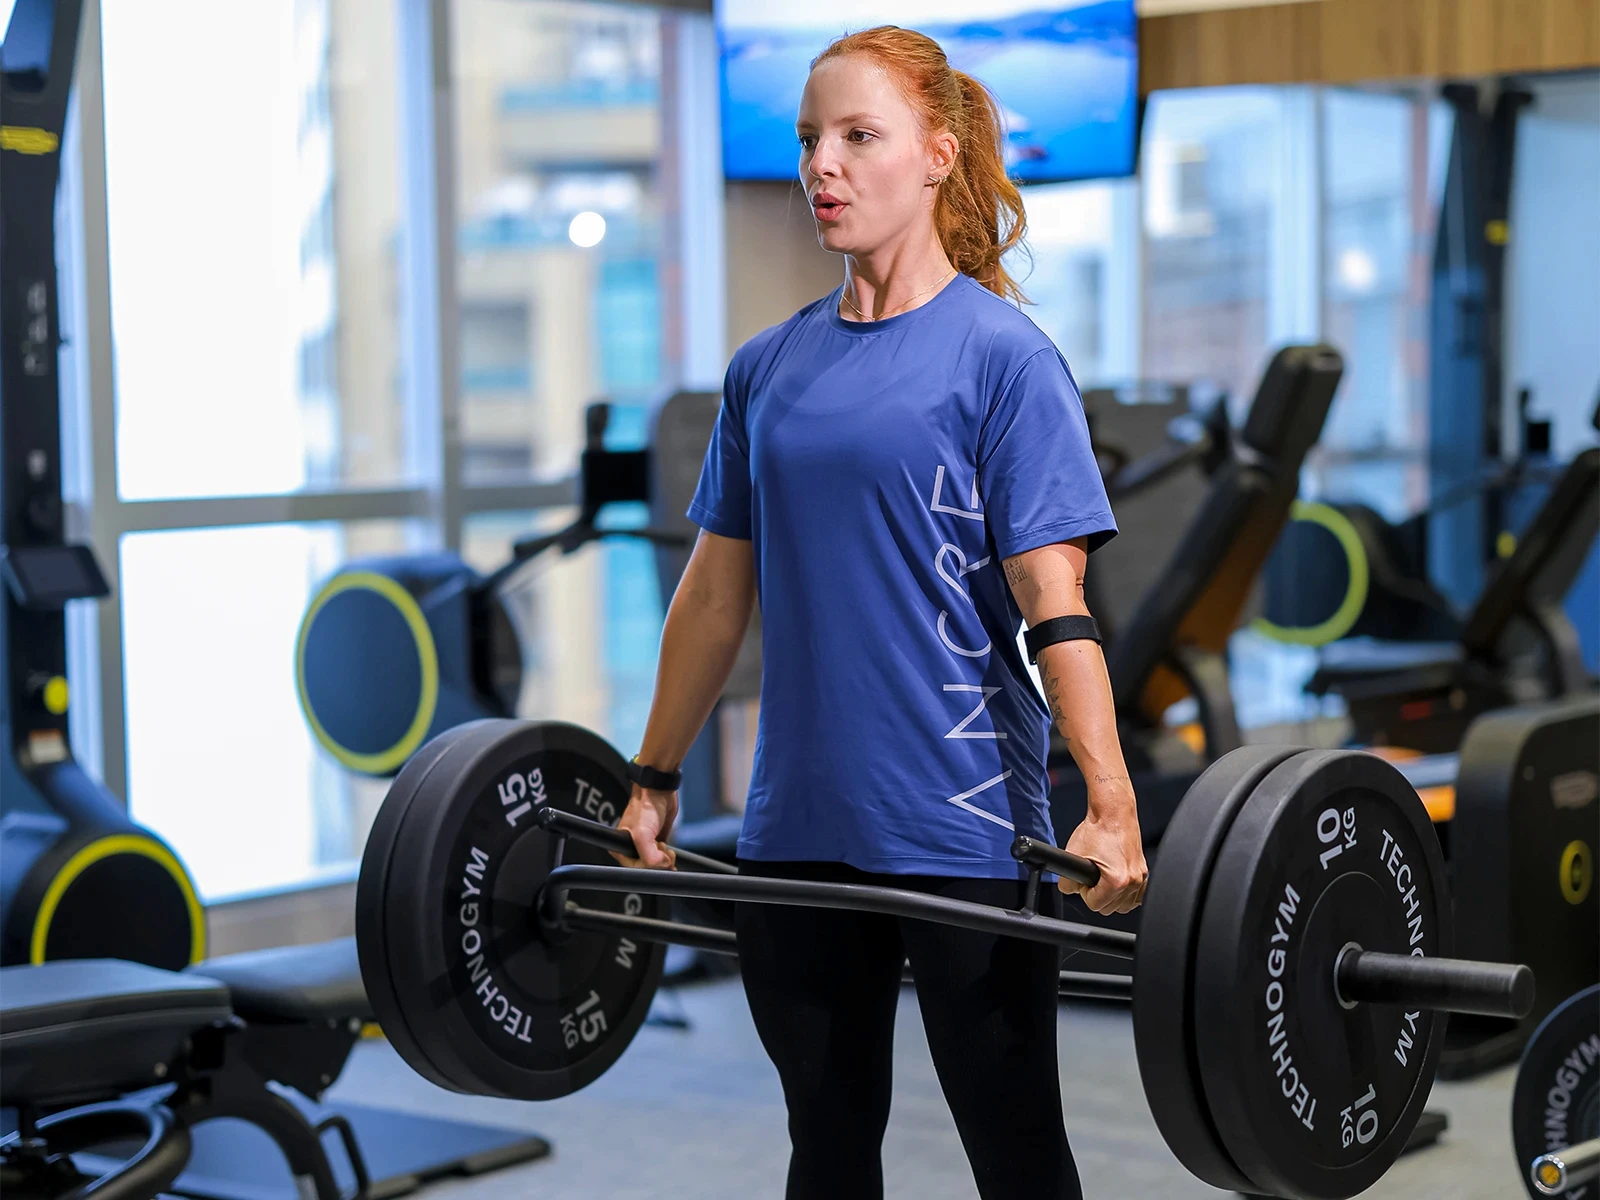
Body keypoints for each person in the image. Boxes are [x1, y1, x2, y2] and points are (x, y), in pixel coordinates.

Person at [615, 25, 1146, 1200]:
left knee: (1015, 1152)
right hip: (796, 827)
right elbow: (712, 596)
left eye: (859, 136)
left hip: (965, 826)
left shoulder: (1006, 361)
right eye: (811, 138)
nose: (823, 165)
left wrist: (1110, 805)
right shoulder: (765, 369)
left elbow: (1054, 604)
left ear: (937, 156)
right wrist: (651, 777)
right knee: (826, 1147)